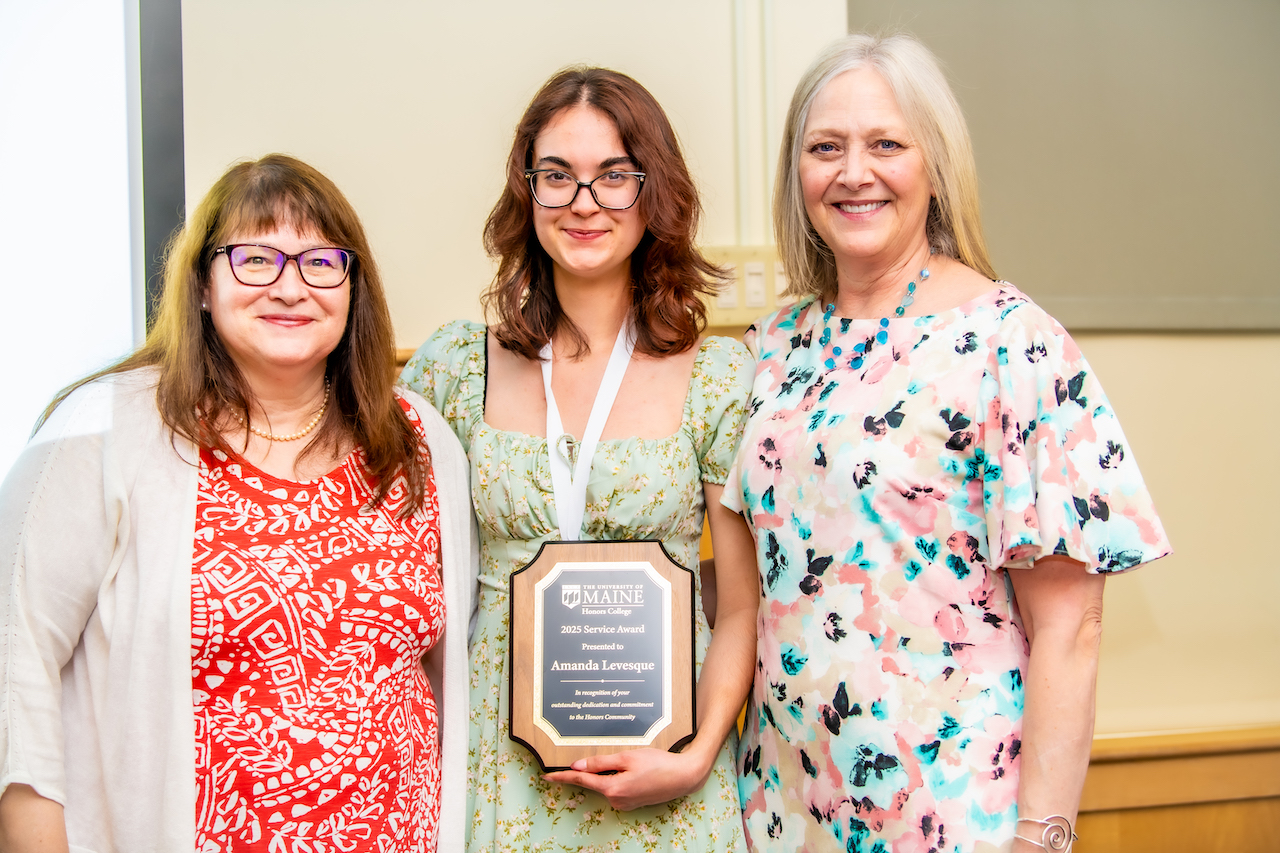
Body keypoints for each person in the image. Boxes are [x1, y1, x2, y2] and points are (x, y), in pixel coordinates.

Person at [723, 34, 1171, 853]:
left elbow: (1073, 628)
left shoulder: (1013, 345)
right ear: (799, 172)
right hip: (783, 809)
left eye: (886, 144)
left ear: (936, 164)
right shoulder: (770, 348)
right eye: (826, 148)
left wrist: (1043, 838)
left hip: (953, 814)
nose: (854, 172)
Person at [0, 154, 476, 853]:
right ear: (201, 283)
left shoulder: (419, 442)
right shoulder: (103, 428)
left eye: (320, 262)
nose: (290, 286)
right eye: (256, 258)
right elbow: (17, 673)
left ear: (353, 286)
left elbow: (449, 668)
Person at [401, 67, 757, 851]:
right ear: (526, 193)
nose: (584, 202)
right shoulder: (456, 370)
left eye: (614, 176)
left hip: (665, 761)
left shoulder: (717, 377)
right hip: (498, 764)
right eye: (556, 176)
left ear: (653, 191)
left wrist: (696, 755)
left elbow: (738, 603)